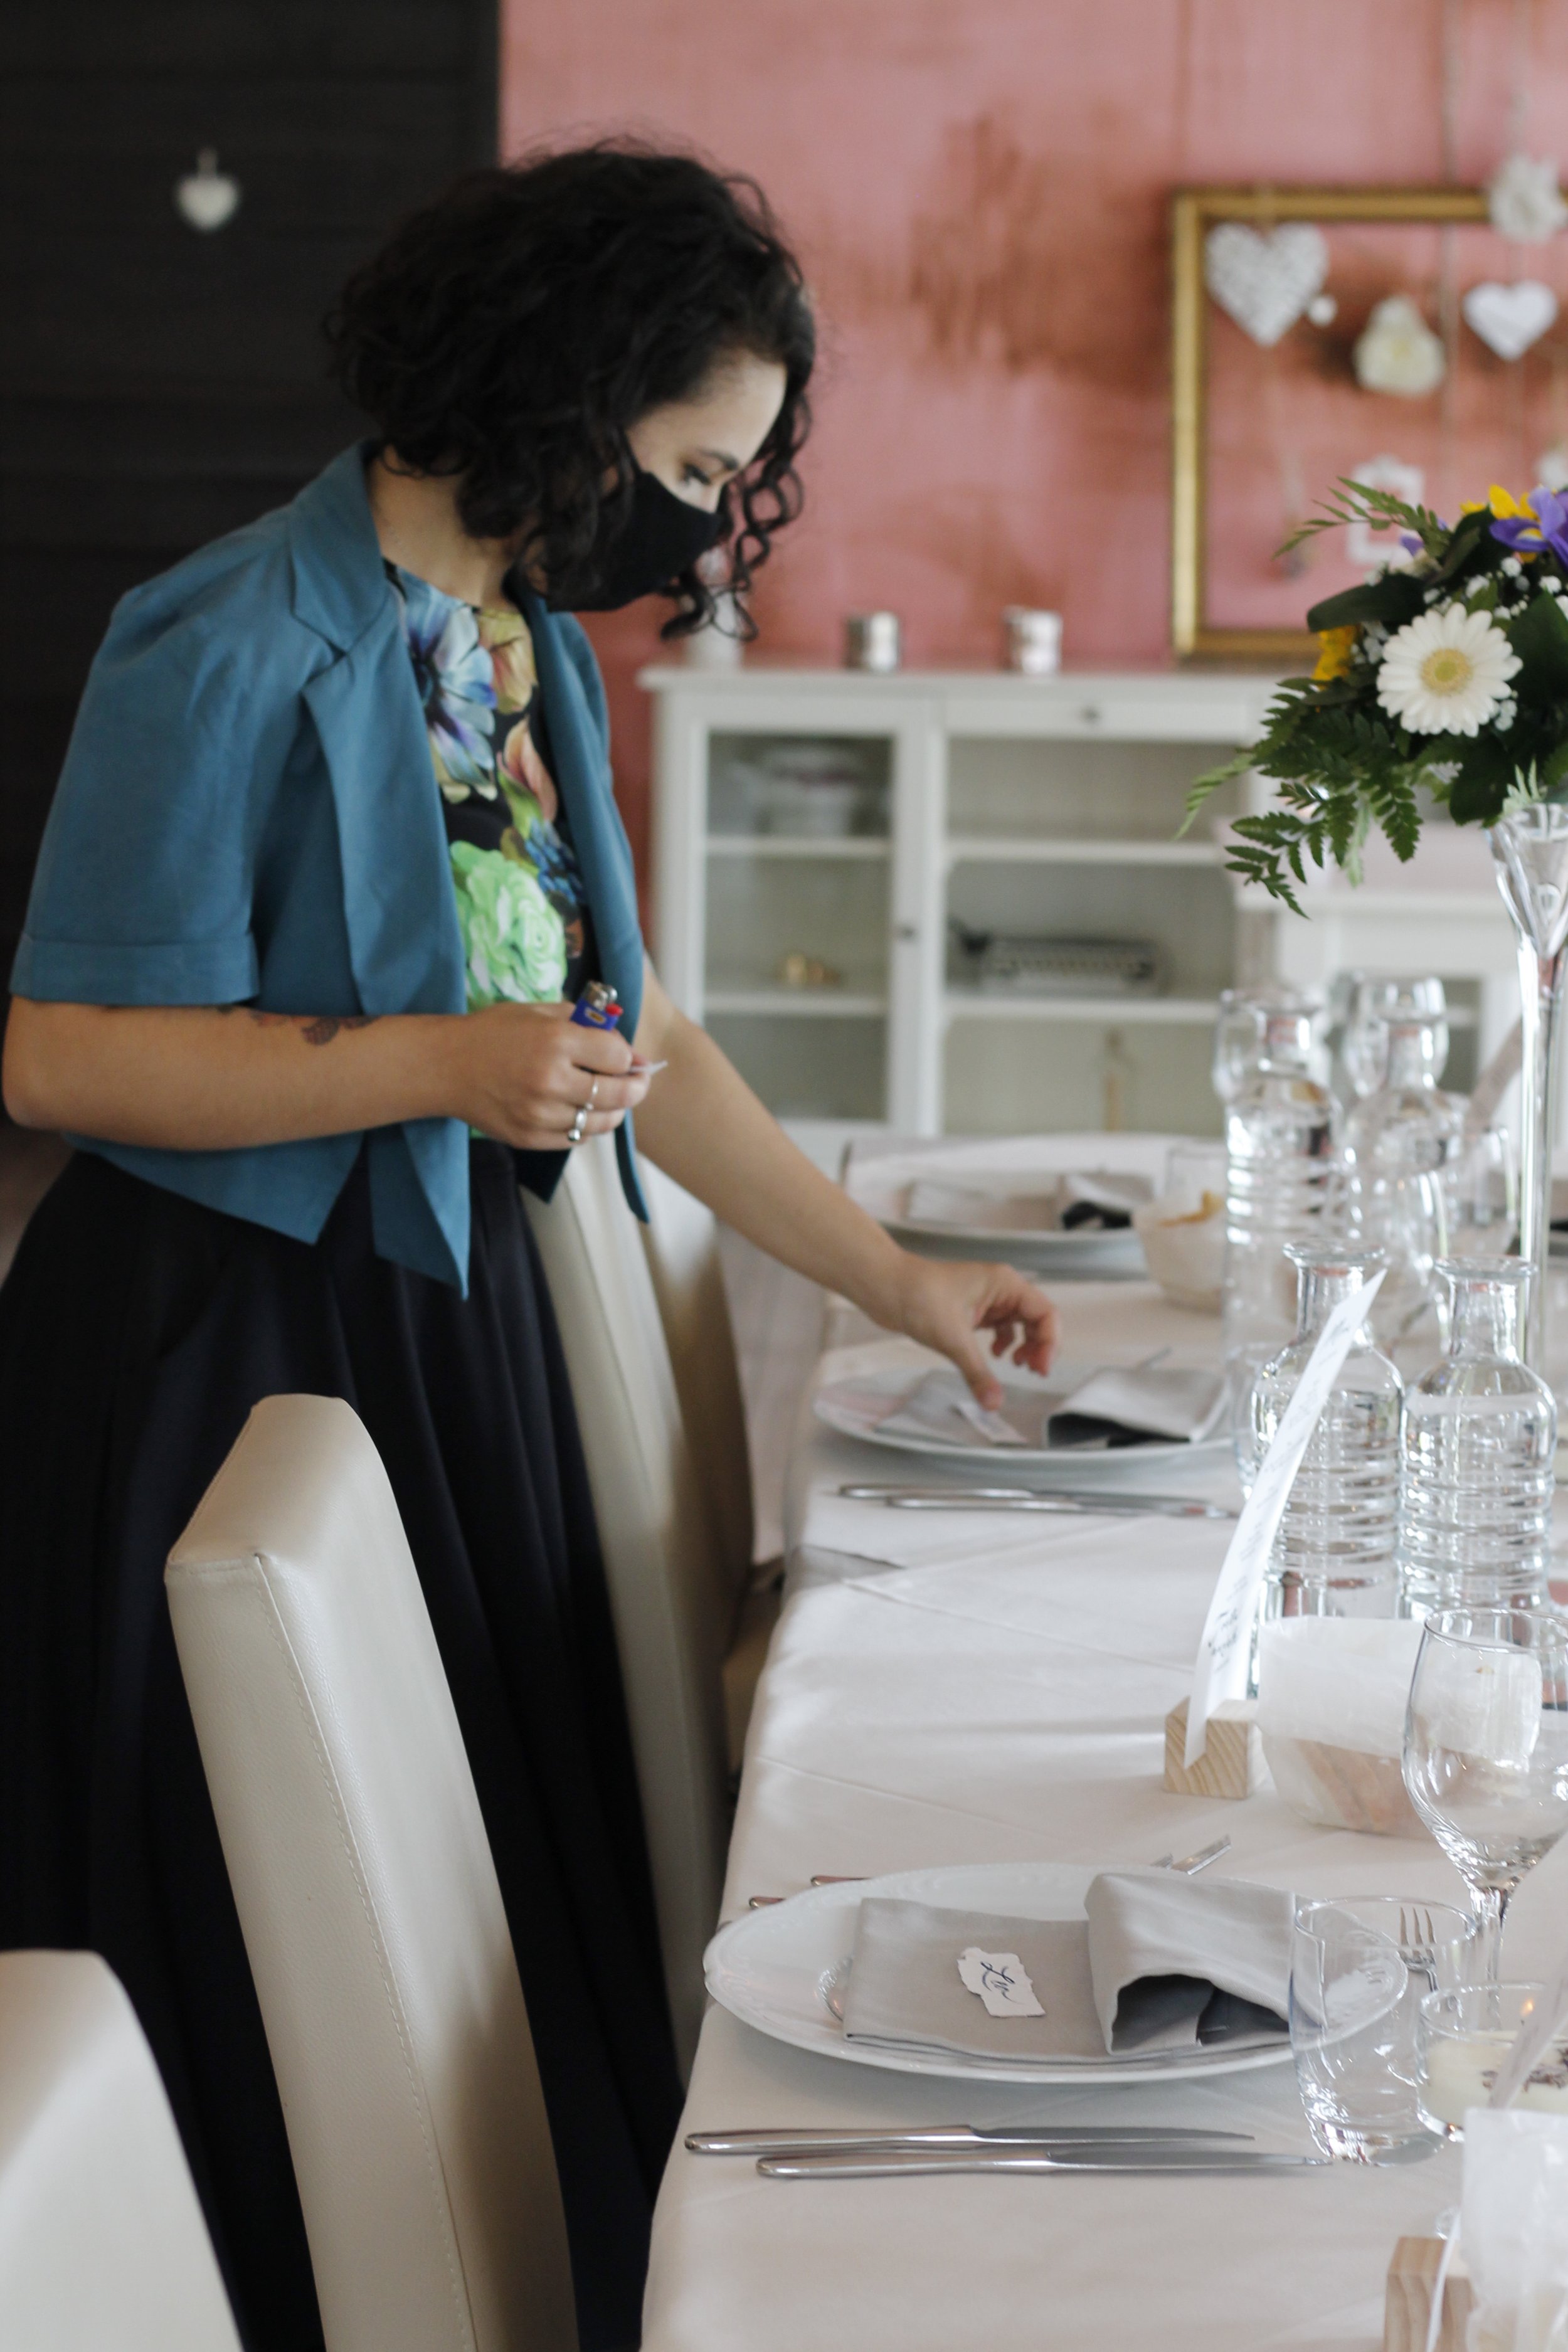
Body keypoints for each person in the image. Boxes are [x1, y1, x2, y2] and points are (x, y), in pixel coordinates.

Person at [0, 146, 1055, 2352]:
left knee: (456, 1895)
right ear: (559, 390)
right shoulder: (222, 637)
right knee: (251, 1913)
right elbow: (61, 1057)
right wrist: (437, 1065)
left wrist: (895, 1282)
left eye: (729, 482)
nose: (699, 524)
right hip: (220, 1348)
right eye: (688, 467)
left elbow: (639, 1039)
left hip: (439, 1331)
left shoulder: (517, 646)